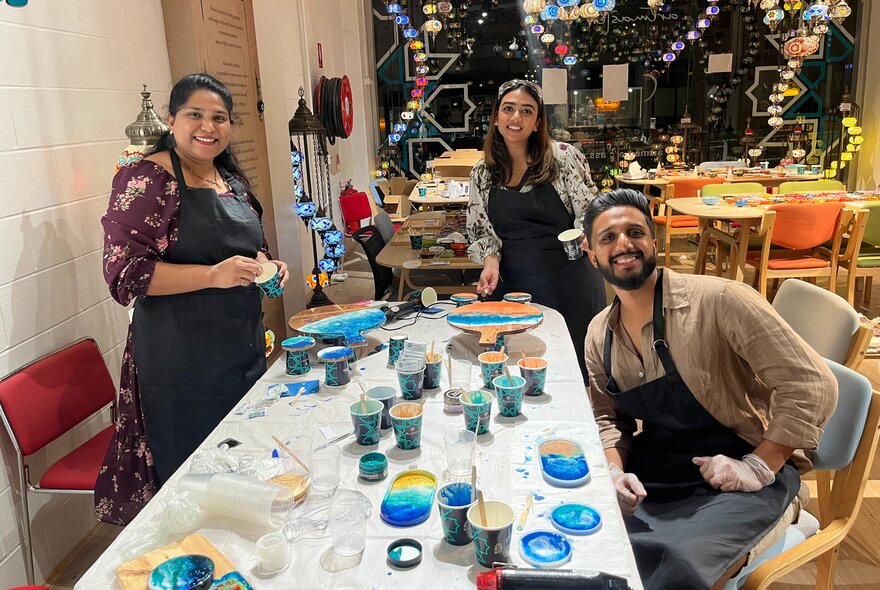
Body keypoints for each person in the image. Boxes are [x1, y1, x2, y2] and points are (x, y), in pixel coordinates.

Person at [581, 188, 837, 590]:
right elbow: (608, 417)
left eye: (634, 232)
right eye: (608, 238)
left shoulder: (719, 301)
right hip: (661, 472)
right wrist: (614, 470)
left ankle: (784, 511)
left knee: (682, 569)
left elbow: (811, 383)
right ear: (591, 252)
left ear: (654, 238)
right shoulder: (600, 334)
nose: (623, 245)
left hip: (748, 474)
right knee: (591, 546)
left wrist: (758, 466)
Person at [96, 73, 288, 521]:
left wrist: (267, 265)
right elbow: (125, 275)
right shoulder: (147, 178)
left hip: (239, 347)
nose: (209, 126)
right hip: (180, 360)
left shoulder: (229, 178)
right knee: (196, 482)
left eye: (219, 117)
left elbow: (245, 246)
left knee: (242, 459)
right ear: (171, 119)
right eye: (195, 114)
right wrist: (212, 276)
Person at [467, 79, 605, 379]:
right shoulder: (482, 173)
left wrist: (587, 235)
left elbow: (593, 211)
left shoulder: (563, 158)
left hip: (568, 283)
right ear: (497, 117)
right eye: (508, 109)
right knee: (513, 372)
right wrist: (490, 264)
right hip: (512, 287)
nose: (516, 118)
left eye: (526, 111)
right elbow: (482, 230)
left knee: (570, 373)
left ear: (537, 121)